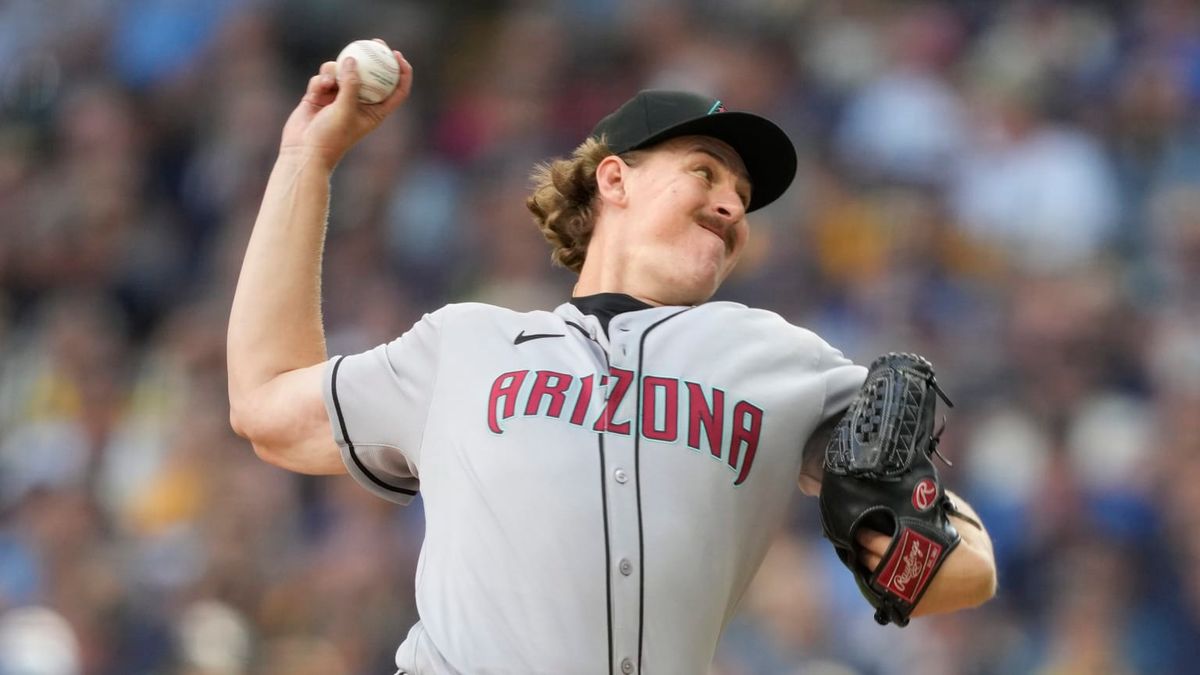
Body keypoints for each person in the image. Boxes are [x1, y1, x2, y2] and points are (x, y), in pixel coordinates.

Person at [227, 44, 996, 674]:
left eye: (743, 194)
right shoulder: (464, 344)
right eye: (705, 171)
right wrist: (306, 158)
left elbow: (966, 569)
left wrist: (902, 537)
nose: (732, 204)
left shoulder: (782, 361)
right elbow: (265, 404)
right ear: (615, 178)